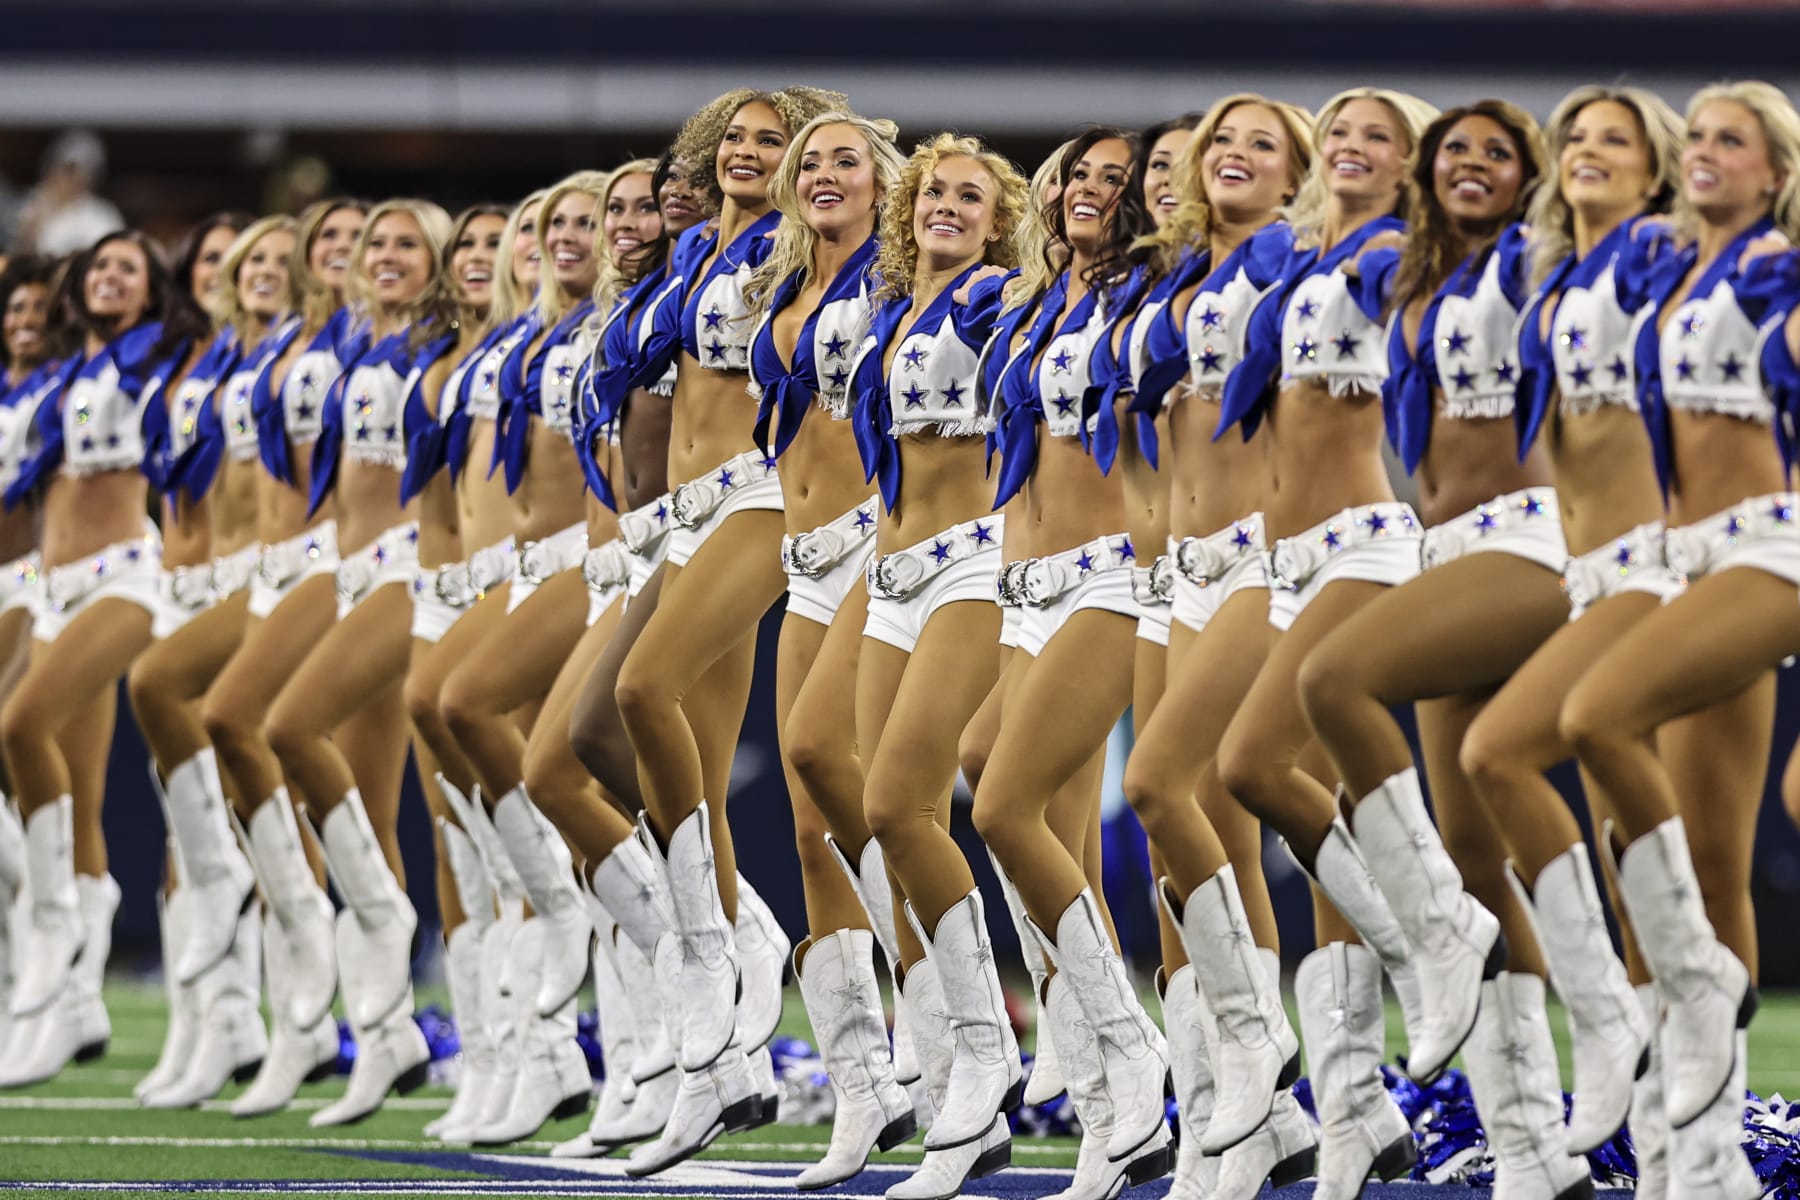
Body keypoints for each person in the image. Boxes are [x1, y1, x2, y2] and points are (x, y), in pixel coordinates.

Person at [1560, 81, 1800, 1200]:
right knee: (1700, 862)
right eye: (1696, 136)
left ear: (1775, 172)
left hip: (1767, 553)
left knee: (1592, 717)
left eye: (1731, 142)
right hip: (1682, 562)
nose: (1706, 153)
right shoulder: (1674, 270)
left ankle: (1699, 995)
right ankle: (1693, 1160)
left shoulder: (1779, 274)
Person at [1118, 93, 1325, 1200]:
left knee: (1167, 792)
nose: (1223, 161)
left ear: (1297, 176)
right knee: (1188, 858)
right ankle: (1228, 1125)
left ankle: (1262, 1055)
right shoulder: (1172, 284)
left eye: (1259, 145)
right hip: (1176, 572)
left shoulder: (1295, 258)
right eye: (1211, 149)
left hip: (1262, 553)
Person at [975, 125, 1177, 1200]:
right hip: (1024, 585)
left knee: (1004, 808)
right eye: (1077, 175)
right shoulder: (1031, 302)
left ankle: (1118, 1032)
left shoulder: (1147, 296)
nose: (1090, 190)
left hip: (1112, 573)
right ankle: (1106, 1104)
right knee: (1018, 797)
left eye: (1116, 178)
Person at [849, 131, 1028, 1200]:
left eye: (970, 196)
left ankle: (984, 1049)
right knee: (879, 812)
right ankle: (972, 1050)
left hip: (974, 562)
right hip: (892, 572)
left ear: (998, 221)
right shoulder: (890, 313)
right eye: (932, 192)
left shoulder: (1001, 298)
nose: (945, 207)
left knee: (905, 802)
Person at [743, 111, 913, 1188]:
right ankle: (865, 1087)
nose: (821, 175)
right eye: (810, 163)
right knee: (813, 832)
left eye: (846, 160)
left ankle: (949, 1028)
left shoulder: (901, 280)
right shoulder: (782, 282)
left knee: (847, 777)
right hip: (801, 559)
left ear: (883, 182)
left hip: (873, 545)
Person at [262, 198, 455, 1127]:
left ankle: (386, 927)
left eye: (403, 245)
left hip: (415, 569)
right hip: (345, 570)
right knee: (369, 805)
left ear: (441, 261)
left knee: (279, 726)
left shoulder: (443, 341)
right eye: (373, 244)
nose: (380, 256)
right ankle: (383, 1032)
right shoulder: (353, 343)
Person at [200, 198, 366, 1118]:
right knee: (257, 772)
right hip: (273, 569)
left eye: (358, 240)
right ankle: (309, 1013)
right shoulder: (281, 344)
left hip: (347, 567)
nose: (339, 254)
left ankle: (364, 1012)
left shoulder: (365, 338)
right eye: (326, 243)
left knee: (372, 794)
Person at [0, 229, 171, 1086]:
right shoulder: (66, 375)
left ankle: (55, 926)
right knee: (79, 787)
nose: (108, 278)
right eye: (97, 268)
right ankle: (74, 1002)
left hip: (125, 576)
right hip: (51, 588)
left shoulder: (157, 359)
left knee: (17, 724)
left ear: (150, 292)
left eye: (125, 270)